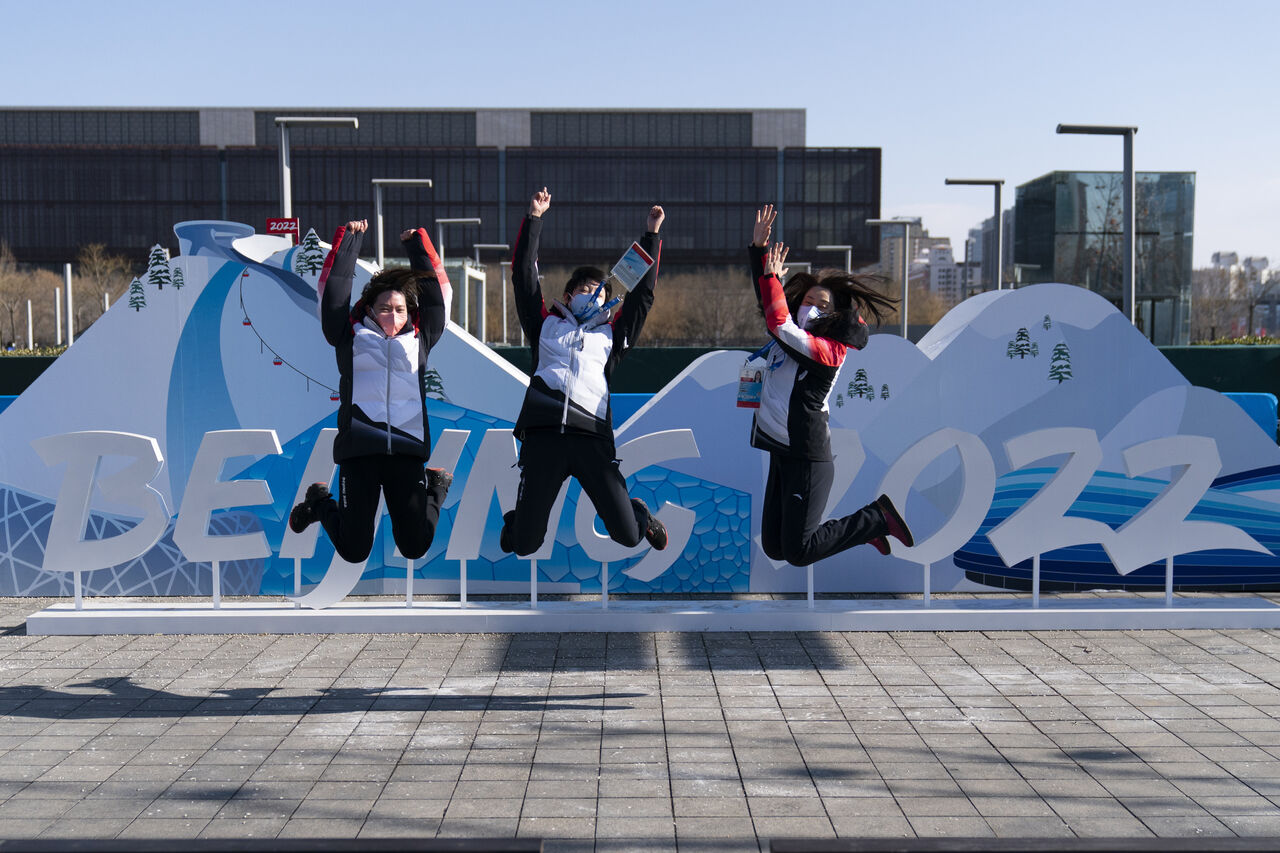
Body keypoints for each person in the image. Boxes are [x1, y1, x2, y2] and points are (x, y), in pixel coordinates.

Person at [499, 187, 669, 556]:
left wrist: (651, 235)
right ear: (568, 295)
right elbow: (523, 277)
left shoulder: (613, 335)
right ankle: (517, 523)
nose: (591, 295)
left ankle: (639, 513)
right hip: (544, 439)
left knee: (628, 535)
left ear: (608, 302)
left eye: (599, 292)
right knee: (525, 544)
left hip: (591, 439)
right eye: (583, 290)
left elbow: (642, 298)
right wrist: (534, 219)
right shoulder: (544, 325)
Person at [747, 204, 913, 566]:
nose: (812, 308)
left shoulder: (829, 350)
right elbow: (772, 309)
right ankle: (866, 530)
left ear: (835, 315)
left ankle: (875, 519)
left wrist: (770, 276)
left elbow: (778, 321)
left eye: (822, 305)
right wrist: (759, 252)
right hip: (781, 451)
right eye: (808, 301)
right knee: (775, 547)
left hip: (806, 456)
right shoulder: (789, 335)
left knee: (799, 551)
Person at [288, 220, 453, 565]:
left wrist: (417, 246)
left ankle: (436, 487)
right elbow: (334, 296)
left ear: (409, 312)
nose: (393, 315)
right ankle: (319, 502)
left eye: (400, 309)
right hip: (359, 453)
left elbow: (436, 301)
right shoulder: (349, 336)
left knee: (414, 546)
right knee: (354, 550)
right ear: (369, 310)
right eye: (385, 308)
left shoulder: (420, 338)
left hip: (406, 453)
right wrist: (350, 243)